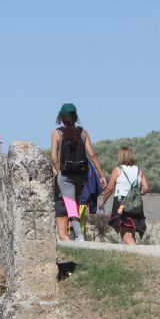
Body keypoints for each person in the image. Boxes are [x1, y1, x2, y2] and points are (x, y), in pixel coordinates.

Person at [50, 103, 106, 241]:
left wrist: (59, 172)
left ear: (61, 117)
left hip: (66, 174)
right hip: (81, 174)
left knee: (70, 205)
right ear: (75, 117)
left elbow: (54, 158)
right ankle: (76, 236)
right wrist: (102, 175)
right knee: (74, 203)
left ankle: (79, 236)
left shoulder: (57, 133)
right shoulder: (83, 132)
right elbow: (92, 154)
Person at [99, 147, 150, 244]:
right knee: (131, 231)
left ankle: (136, 250)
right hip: (136, 203)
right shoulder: (139, 170)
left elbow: (109, 189)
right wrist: (137, 193)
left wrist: (103, 201)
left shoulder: (118, 170)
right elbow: (146, 188)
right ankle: (135, 253)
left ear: (121, 157)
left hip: (121, 204)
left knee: (125, 232)